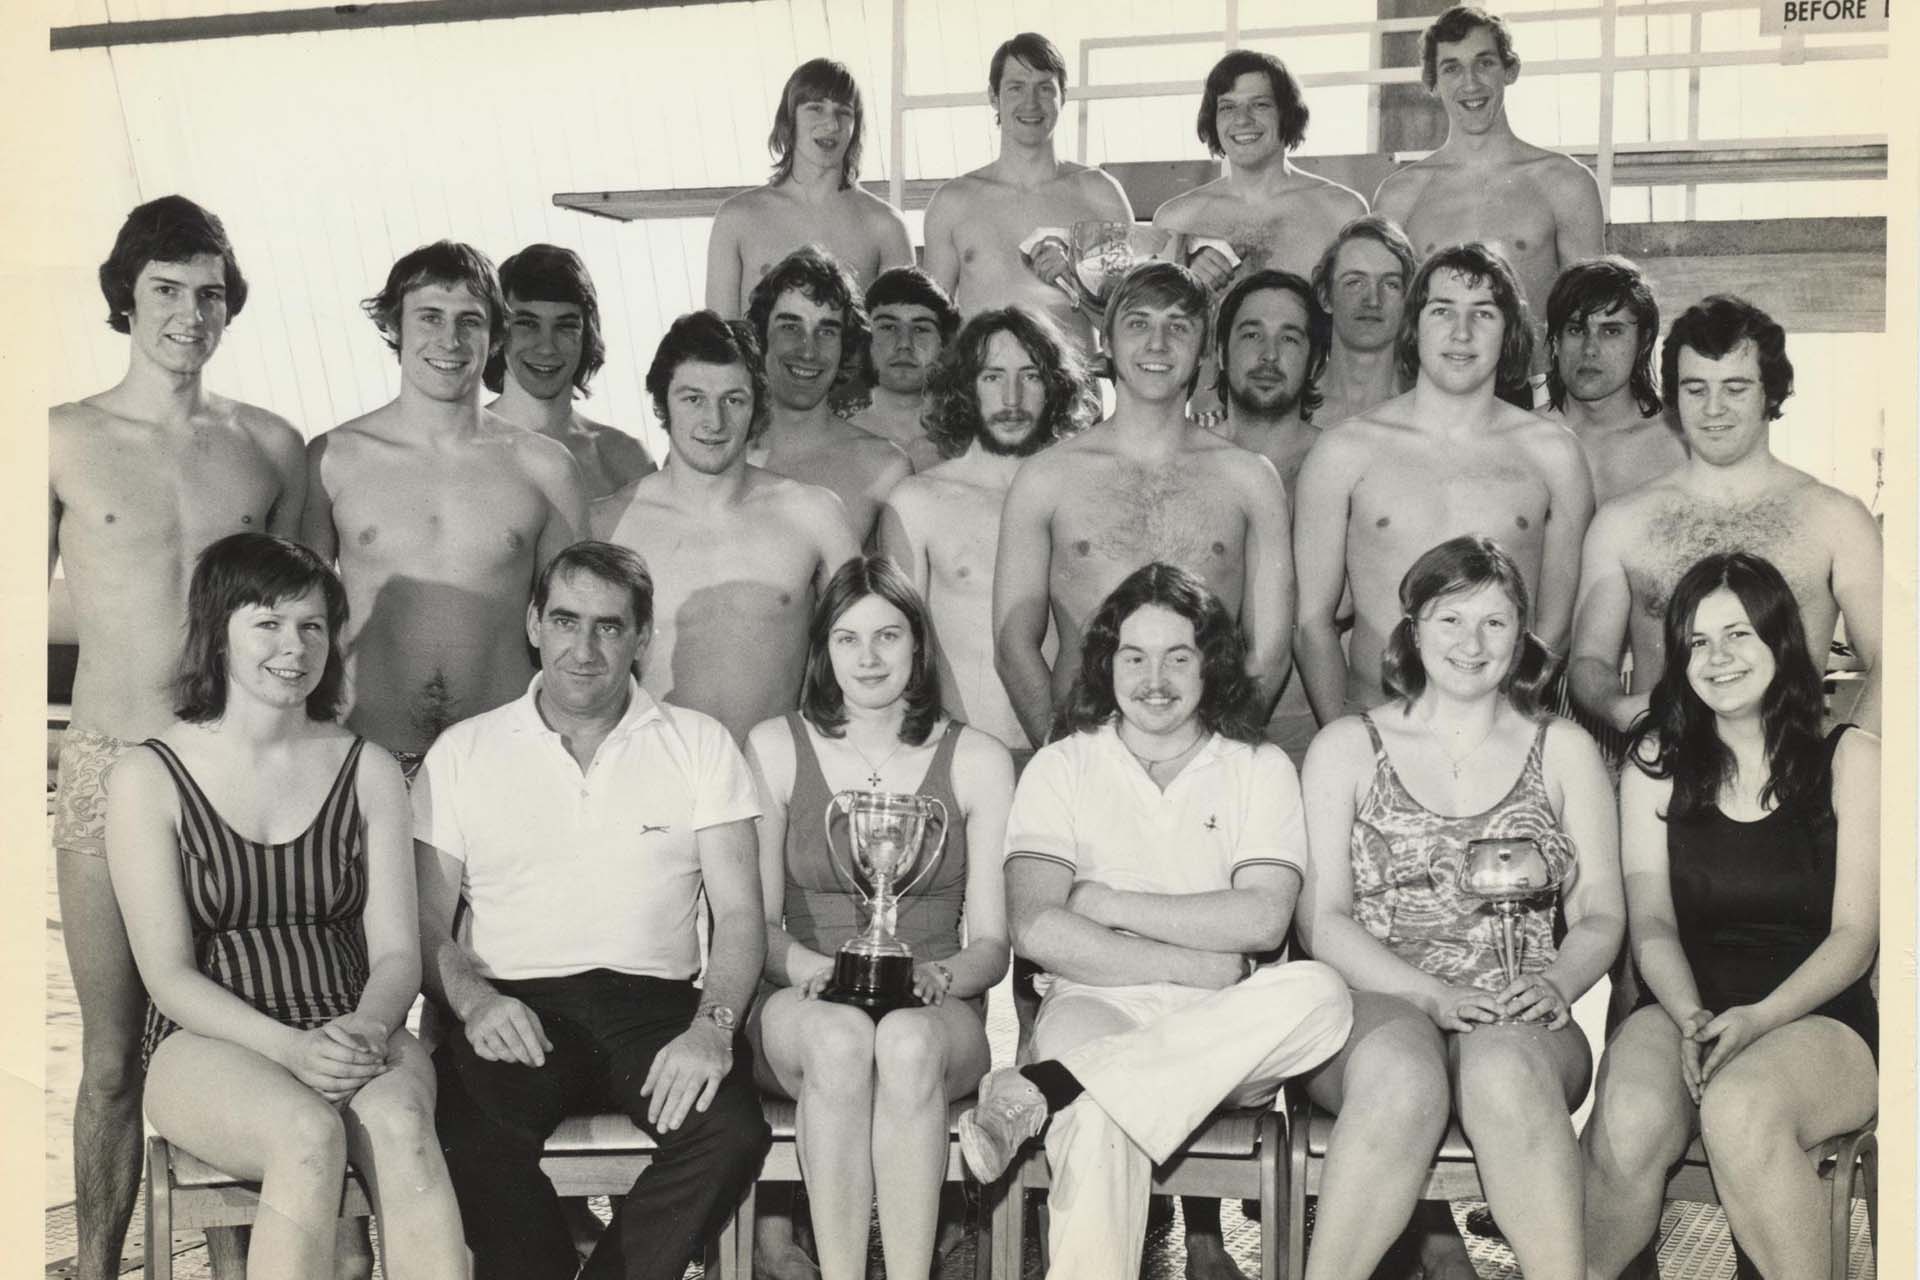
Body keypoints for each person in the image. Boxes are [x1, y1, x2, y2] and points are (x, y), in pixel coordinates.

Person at [958, 562, 1354, 1279]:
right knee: (1102, 1118)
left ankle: (1047, 1088)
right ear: (1107, 664)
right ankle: (1074, 1086)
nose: (1156, 680)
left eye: (1180, 657)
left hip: (1228, 1029)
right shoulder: (1062, 765)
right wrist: (1197, 961)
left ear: (1212, 666)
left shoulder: (1258, 766)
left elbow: (1264, 921)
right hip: (1097, 1003)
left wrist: (1105, 904)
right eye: (1134, 658)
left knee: (1322, 995)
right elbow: (1039, 930)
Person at [48, 195, 307, 1280]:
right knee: (109, 1059)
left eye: (210, 294)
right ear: (126, 295)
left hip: (227, 780)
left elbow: (305, 638)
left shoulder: (267, 448)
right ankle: (99, 1267)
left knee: (242, 1039)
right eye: (165, 289)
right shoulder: (59, 437)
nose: (189, 314)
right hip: (109, 766)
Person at [106, 532, 465, 1278]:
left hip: (352, 1027)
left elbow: (399, 953)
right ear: (218, 631)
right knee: (305, 1132)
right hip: (207, 1043)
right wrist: (295, 1051)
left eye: (312, 626)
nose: (293, 647)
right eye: (266, 622)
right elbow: (168, 977)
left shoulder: (366, 768)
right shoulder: (149, 776)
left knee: (400, 1125)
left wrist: (364, 1030)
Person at [416, 541, 773, 1280]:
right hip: (514, 1009)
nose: (584, 648)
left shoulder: (700, 744)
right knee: (465, 1135)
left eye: (609, 627)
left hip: (655, 1010)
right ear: (533, 624)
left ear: (643, 638)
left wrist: (713, 1029)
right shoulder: (463, 752)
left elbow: (739, 916)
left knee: (730, 1133)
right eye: (566, 620)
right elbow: (423, 920)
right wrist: (475, 1002)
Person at [1294, 536, 1622, 1280]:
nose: (1471, 644)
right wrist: (1433, 997)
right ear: (1411, 631)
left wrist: (1558, 986)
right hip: (1379, 1002)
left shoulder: (1564, 749)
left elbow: (1601, 910)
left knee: (1503, 1067)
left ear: (1523, 634)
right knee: (1404, 1077)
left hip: (1521, 1006)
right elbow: (1325, 921)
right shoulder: (1347, 746)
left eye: (1495, 623)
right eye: (1449, 620)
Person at [1581, 552, 1878, 1279]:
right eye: (1698, 643)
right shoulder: (1656, 758)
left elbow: (1856, 937)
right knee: (1627, 1115)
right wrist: (1688, 1016)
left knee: (1739, 1107)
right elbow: (1650, 924)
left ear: (1780, 640)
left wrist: (1759, 1019)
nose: (1719, 658)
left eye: (1738, 634)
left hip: (1818, 1016)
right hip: (1688, 1005)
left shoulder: (1853, 760)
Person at [742, 555, 1015, 1280]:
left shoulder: (977, 757)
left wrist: (940, 974)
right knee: (839, 1038)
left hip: (934, 1005)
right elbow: (754, 930)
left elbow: (991, 944)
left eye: (888, 637)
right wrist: (816, 970)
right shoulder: (773, 747)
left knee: (903, 1044)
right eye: (847, 638)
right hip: (799, 1003)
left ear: (918, 647)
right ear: (823, 651)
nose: (868, 658)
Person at [303, 240, 589, 774]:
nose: (450, 340)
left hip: (504, 759)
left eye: (470, 321)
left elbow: (575, 630)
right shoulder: (333, 459)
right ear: (394, 326)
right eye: (430, 317)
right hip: (365, 756)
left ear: (496, 335)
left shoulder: (546, 469)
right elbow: (295, 623)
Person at [994, 261, 1295, 751]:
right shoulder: (1045, 478)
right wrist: (1061, 757)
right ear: (1107, 344)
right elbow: (1013, 646)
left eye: (1178, 327)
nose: (1158, 345)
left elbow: (1271, 649)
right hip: (1083, 748)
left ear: (1204, 352)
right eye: (1138, 324)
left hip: (1210, 752)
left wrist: (1216, 759)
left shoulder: (1249, 479)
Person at [1293, 242, 1593, 726]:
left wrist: (1508, 726)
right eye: (1442, 311)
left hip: (1501, 729)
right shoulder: (1344, 452)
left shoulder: (1554, 455)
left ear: (1510, 330)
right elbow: (1312, 625)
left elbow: (1557, 627)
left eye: (1484, 314)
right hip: (1378, 719)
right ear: (1414, 325)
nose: (1461, 332)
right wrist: (1348, 739)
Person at [1570, 294, 1881, 738]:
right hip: (1664, 777)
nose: (1713, 409)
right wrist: (1624, 711)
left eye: (1735, 388)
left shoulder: (1836, 519)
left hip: (1792, 781)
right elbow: (1589, 662)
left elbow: (1897, 659)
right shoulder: (1622, 522)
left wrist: (1847, 756)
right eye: (1696, 389)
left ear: (1771, 392)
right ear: (1675, 397)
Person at [593, 310, 859, 742]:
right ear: (662, 403)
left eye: (733, 400)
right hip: (652, 780)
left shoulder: (814, 514)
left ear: (756, 406)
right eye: (692, 398)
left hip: (774, 782)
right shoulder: (608, 524)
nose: (713, 422)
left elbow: (866, 656)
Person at [878, 306, 1098, 762]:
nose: (1012, 397)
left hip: (1070, 759)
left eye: (1030, 376)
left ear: (1054, 385)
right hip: (957, 760)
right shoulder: (919, 500)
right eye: (993, 376)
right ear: (966, 387)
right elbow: (895, 652)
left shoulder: (1083, 499)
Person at [1372, 5, 1606, 397]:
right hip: (1435, 397)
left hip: (1536, 394)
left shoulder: (1565, 181)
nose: (1470, 83)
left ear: (1509, 70)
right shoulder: (1400, 194)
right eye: (1451, 68)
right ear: (1432, 82)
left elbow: (1592, 313)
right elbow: (1388, 323)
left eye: (1484, 63)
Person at [922, 32, 1136, 352]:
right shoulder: (953, 202)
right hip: (982, 392)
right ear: (994, 97)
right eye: (1016, 87)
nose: (1031, 103)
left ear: (1063, 95)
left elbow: (1132, 322)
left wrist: (1077, 280)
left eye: (1044, 87)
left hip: (1073, 394)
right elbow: (932, 328)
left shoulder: (1098, 193)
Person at [1207, 269, 1331, 777]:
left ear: (1317, 362)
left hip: (1310, 734)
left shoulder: (1341, 463)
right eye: (1252, 334)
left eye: (1290, 338)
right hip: (1190, 730)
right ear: (1220, 352)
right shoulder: (1187, 461)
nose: (1269, 355)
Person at [706, 58, 913, 319]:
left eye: (844, 112)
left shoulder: (886, 226)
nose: (832, 125)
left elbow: (897, 341)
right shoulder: (736, 218)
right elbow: (720, 342)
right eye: (816, 108)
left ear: (856, 127)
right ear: (788, 119)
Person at [1153, 50, 1367, 289]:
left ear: (1287, 114)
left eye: (1260, 105)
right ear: (1213, 119)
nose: (1242, 119)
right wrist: (1189, 286)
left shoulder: (1342, 211)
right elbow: (1160, 316)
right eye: (1227, 107)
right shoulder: (1176, 220)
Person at [746, 247, 913, 541]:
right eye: (790, 326)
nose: (808, 351)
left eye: (826, 332)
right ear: (761, 337)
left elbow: (897, 586)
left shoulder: (884, 466)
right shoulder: (716, 452)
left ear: (845, 346)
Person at [485, 242, 656, 501]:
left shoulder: (625, 458)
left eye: (565, 326)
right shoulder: (457, 445)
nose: (546, 347)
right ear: (499, 331)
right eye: (527, 324)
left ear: (587, 334)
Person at [1540, 256, 1685, 506]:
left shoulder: (1683, 441)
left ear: (1643, 342)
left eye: (1611, 331)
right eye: (1576, 329)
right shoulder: (1523, 440)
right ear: (1556, 341)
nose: (1590, 349)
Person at [846, 266, 962, 472]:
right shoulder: (840, 441)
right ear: (864, 338)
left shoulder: (968, 444)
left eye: (920, 329)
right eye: (888, 327)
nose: (904, 343)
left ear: (944, 344)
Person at [1309, 214, 1416, 428]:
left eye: (1390, 284)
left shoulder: (1426, 411)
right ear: (1325, 296)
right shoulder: (1290, 406)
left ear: (1408, 299)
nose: (1373, 300)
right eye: (1355, 282)